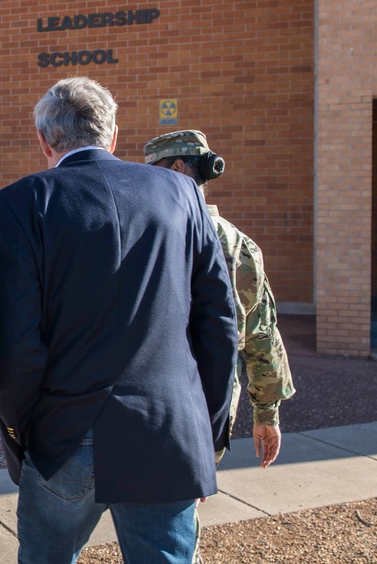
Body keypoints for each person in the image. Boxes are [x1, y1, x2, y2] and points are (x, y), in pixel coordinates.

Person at [0, 77, 239, 564]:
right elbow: (219, 321)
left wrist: (20, 434)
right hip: (167, 432)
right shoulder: (182, 193)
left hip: (63, 435)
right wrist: (205, 431)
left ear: (44, 140)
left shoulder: (17, 204)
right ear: (114, 135)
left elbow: (13, 342)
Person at [144, 130, 296, 564]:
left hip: (148, 403)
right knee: (175, 522)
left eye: (151, 169)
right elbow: (262, 335)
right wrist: (266, 414)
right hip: (205, 413)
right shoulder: (238, 244)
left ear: (175, 168)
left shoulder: (143, 230)